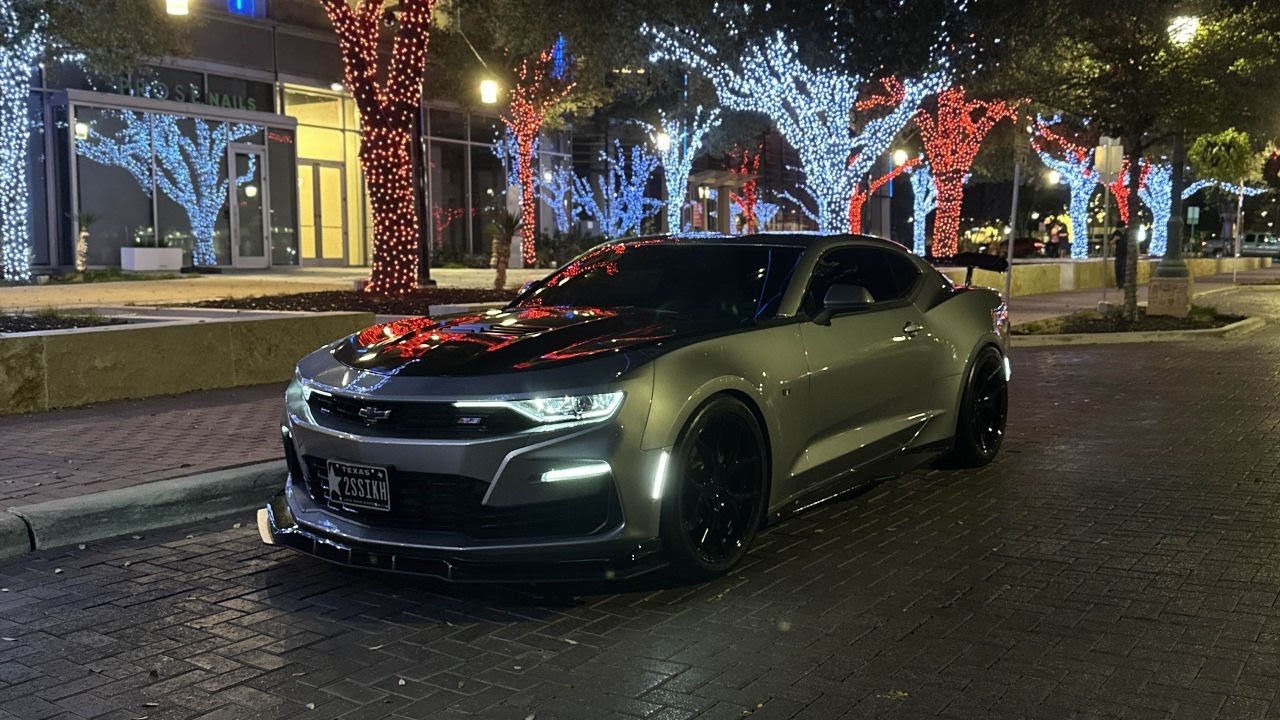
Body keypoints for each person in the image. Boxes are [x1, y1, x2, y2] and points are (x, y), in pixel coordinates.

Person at [1111, 222, 1127, 289]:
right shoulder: (1116, 233)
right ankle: (1119, 284)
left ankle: (1124, 283)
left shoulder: (1127, 233)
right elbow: (1111, 242)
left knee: (1124, 269)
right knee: (1118, 269)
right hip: (1119, 254)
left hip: (1126, 253)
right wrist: (1115, 239)